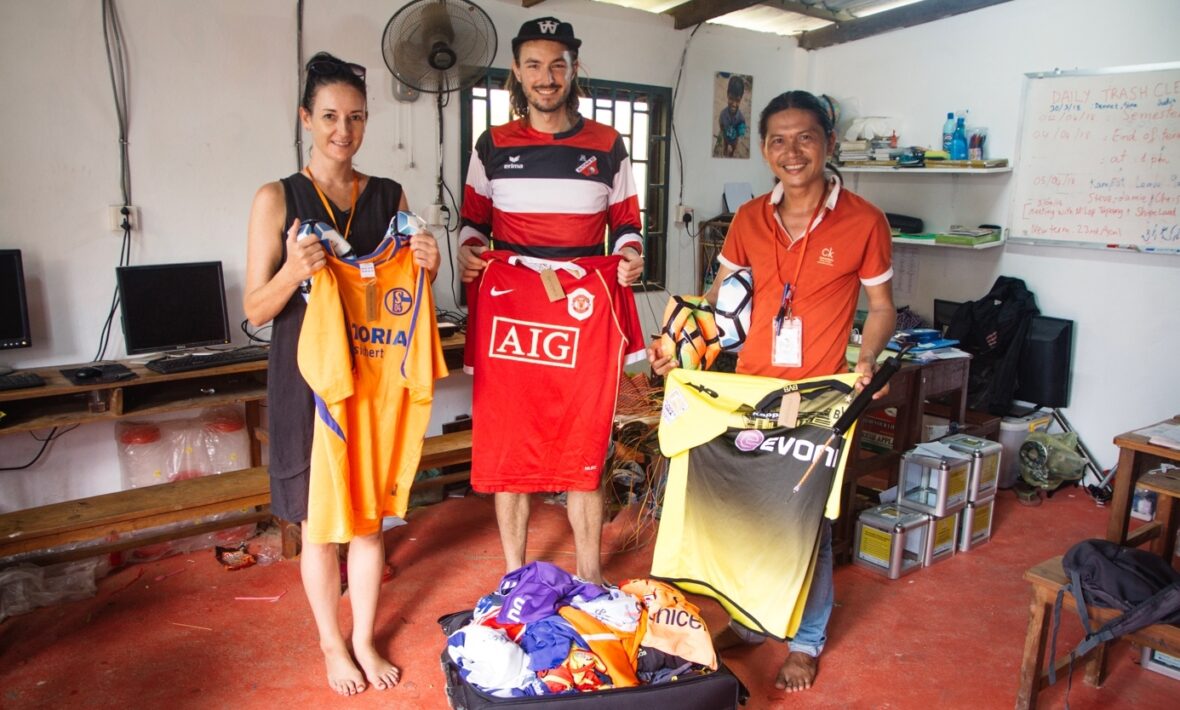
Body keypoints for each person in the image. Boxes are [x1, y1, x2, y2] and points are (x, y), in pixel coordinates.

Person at [649, 90, 896, 693]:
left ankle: (806, 641)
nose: (792, 151)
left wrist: (866, 356)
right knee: (746, 511)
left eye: (805, 137)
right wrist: (676, 345)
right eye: (778, 140)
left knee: (807, 521)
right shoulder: (748, 218)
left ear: (828, 143)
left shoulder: (865, 220)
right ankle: (751, 622)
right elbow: (720, 304)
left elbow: (883, 306)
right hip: (749, 391)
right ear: (764, 149)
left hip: (820, 400)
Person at [244, 52, 440, 696]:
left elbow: (408, 285)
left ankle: (363, 638)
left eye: (355, 117)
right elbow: (255, 309)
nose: (343, 130)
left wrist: (429, 264)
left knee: (368, 518)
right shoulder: (277, 198)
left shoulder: (388, 196)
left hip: (374, 378)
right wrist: (293, 272)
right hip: (307, 382)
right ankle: (332, 642)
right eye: (329, 116)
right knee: (317, 523)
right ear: (306, 118)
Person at [457, 16, 645, 585]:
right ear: (517, 71)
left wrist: (630, 255)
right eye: (535, 65)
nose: (547, 77)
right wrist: (470, 253)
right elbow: (473, 224)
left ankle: (590, 576)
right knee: (509, 443)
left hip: (582, 310)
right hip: (514, 308)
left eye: (558, 65)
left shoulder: (608, 145)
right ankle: (515, 575)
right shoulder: (491, 144)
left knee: (585, 439)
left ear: (574, 69)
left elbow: (627, 225)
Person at [718, 74, 748, 158]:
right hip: (725, 137)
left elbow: (742, 131)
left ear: (741, 99)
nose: (734, 104)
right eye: (731, 98)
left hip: (734, 140)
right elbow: (721, 123)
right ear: (727, 95)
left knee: (734, 147)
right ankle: (725, 150)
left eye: (737, 100)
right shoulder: (723, 114)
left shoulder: (741, 118)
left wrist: (740, 131)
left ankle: (732, 153)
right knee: (725, 144)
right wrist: (723, 131)